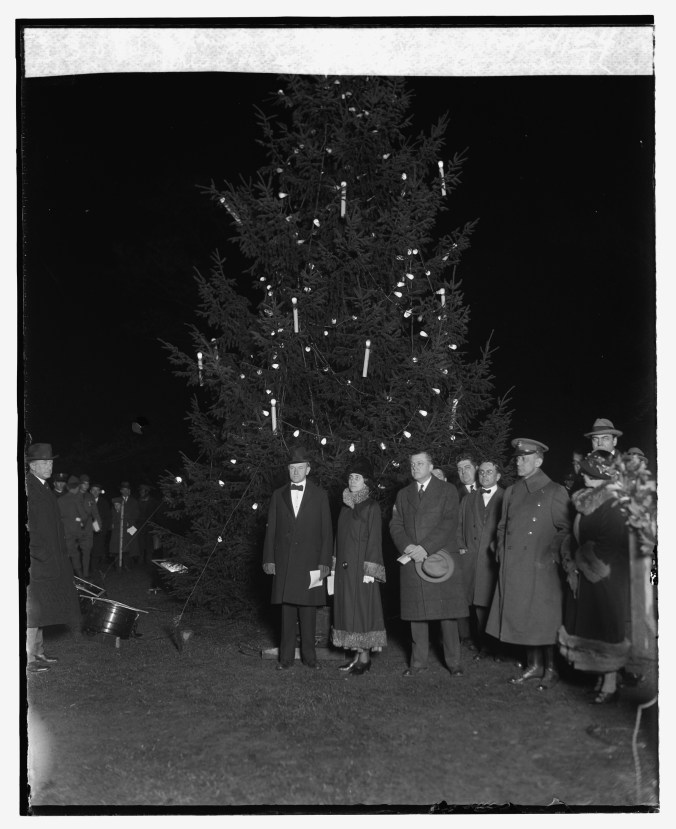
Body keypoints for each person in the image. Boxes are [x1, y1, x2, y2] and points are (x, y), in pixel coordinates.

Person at [486, 438, 571, 689]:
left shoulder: (555, 491)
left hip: (542, 567)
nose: (519, 463)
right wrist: (501, 549)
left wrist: (550, 554)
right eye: (518, 459)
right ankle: (534, 666)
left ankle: (552, 669)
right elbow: (502, 527)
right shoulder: (511, 492)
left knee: (544, 619)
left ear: (539, 461)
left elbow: (566, 529)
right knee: (524, 617)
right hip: (515, 566)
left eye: (525, 458)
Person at [558, 450, 631, 704]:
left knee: (606, 628)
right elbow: (575, 533)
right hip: (588, 572)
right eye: (585, 470)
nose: (584, 474)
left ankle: (610, 684)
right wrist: (573, 561)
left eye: (590, 471)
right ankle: (600, 678)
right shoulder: (586, 498)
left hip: (605, 576)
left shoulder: (613, 503)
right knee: (593, 627)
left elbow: (609, 544)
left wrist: (582, 563)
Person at [389, 450, 468, 677]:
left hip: (439, 559)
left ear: (431, 466)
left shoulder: (447, 490)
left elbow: (449, 522)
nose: (415, 468)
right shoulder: (403, 494)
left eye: (420, 463)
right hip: (413, 560)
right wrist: (407, 547)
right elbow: (395, 524)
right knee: (417, 614)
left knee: (447, 614)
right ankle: (418, 663)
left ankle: (454, 662)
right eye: (412, 464)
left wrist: (425, 547)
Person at [262, 447, 333, 670]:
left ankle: (310, 658)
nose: (295, 472)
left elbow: (327, 532)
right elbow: (271, 530)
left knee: (309, 612)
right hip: (285, 563)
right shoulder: (277, 495)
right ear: (288, 470)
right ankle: (285, 659)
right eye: (292, 468)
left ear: (308, 470)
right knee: (287, 613)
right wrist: (269, 559)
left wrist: (324, 563)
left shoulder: (320, 495)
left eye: (300, 468)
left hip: (312, 563)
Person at [25, 443, 80, 673]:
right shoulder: (27, 487)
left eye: (51, 462)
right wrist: (37, 551)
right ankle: (27, 660)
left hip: (50, 558)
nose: (50, 466)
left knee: (42, 607)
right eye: (45, 463)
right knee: (31, 610)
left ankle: (38, 653)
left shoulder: (43, 487)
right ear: (31, 465)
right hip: (36, 559)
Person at [331, 457, 387, 675]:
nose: (353, 480)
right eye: (351, 477)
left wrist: (370, 569)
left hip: (361, 570)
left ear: (366, 482)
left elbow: (374, 539)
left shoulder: (371, 506)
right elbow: (339, 538)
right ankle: (356, 655)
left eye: (357, 477)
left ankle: (364, 658)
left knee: (362, 611)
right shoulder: (345, 507)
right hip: (345, 571)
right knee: (348, 612)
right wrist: (334, 564)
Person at [457, 458, 504, 658]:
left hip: (493, 560)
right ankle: (482, 645)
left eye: (489, 472)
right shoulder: (468, 499)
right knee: (476, 603)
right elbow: (458, 527)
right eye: (482, 472)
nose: (485, 476)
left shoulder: (506, 497)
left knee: (492, 602)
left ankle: (497, 646)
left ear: (498, 476)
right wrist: (461, 547)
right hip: (472, 559)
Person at [57, 475, 89, 577]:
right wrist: (79, 520)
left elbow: (58, 517)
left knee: (66, 554)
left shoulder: (60, 500)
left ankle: (65, 576)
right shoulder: (76, 499)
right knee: (75, 555)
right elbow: (84, 516)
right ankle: (80, 578)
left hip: (64, 532)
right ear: (76, 488)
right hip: (76, 533)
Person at [110, 481, 140, 569]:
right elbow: (114, 513)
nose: (125, 492)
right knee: (119, 546)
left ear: (129, 491)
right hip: (120, 527)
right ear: (121, 491)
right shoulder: (116, 501)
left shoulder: (134, 501)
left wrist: (129, 522)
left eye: (127, 490)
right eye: (123, 490)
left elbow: (137, 514)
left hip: (131, 527)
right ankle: (119, 565)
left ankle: (129, 565)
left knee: (131, 545)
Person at [78, 474, 101, 579]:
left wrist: (97, 527)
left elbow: (95, 514)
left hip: (87, 530)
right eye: (84, 483)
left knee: (86, 553)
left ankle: (85, 575)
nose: (86, 485)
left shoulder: (90, 497)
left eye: (87, 483)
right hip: (74, 529)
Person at [136, 483, 161, 565]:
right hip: (140, 526)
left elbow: (157, 514)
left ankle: (149, 561)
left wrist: (155, 524)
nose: (141, 493)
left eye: (143, 491)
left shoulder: (153, 502)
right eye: (140, 491)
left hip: (150, 527)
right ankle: (140, 561)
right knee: (140, 544)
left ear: (147, 492)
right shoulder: (138, 501)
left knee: (149, 545)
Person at [90, 483, 111, 573]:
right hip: (87, 531)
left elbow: (107, 518)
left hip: (100, 531)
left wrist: (103, 529)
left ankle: (95, 568)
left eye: (97, 490)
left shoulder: (104, 503)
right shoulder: (85, 501)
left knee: (98, 550)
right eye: (93, 490)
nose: (95, 492)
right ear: (90, 491)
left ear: (99, 492)